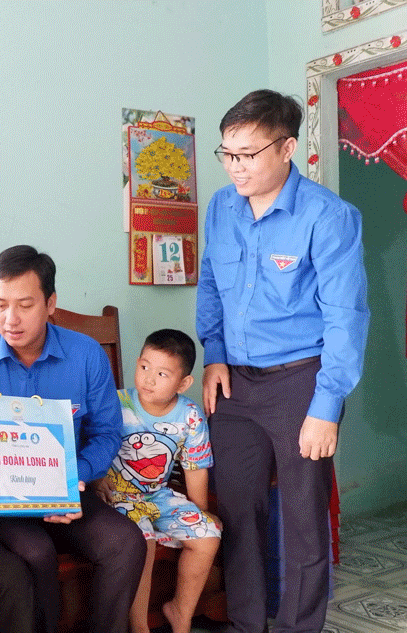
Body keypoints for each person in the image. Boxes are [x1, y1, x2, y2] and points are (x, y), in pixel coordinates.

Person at [197, 89, 369, 633]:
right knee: (238, 511)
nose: (236, 166)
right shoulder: (221, 207)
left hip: (303, 382)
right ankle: (247, 624)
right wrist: (214, 355)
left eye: (248, 154)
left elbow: (346, 316)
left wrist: (327, 404)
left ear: (287, 148)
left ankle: (299, 627)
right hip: (235, 385)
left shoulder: (328, 217)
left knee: (302, 518)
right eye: (227, 153)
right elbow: (210, 284)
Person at [0, 244, 145, 633]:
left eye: (25, 305)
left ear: (50, 303)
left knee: (125, 542)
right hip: (0, 501)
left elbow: (106, 433)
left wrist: (75, 477)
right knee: (35, 552)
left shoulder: (86, 355)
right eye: (0, 305)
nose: (10, 319)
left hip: (68, 489)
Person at [95, 329, 221, 633]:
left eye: (162, 373)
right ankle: (139, 626)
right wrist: (98, 479)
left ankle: (181, 613)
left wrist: (201, 510)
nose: (148, 379)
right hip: (117, 497)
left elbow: (195, 468)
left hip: (158, 496)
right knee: (142, 542)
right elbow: (93, 444)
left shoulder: (190, 416)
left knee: (208, 534)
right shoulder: (117, 403)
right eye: (144, 367)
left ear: (183, 383)